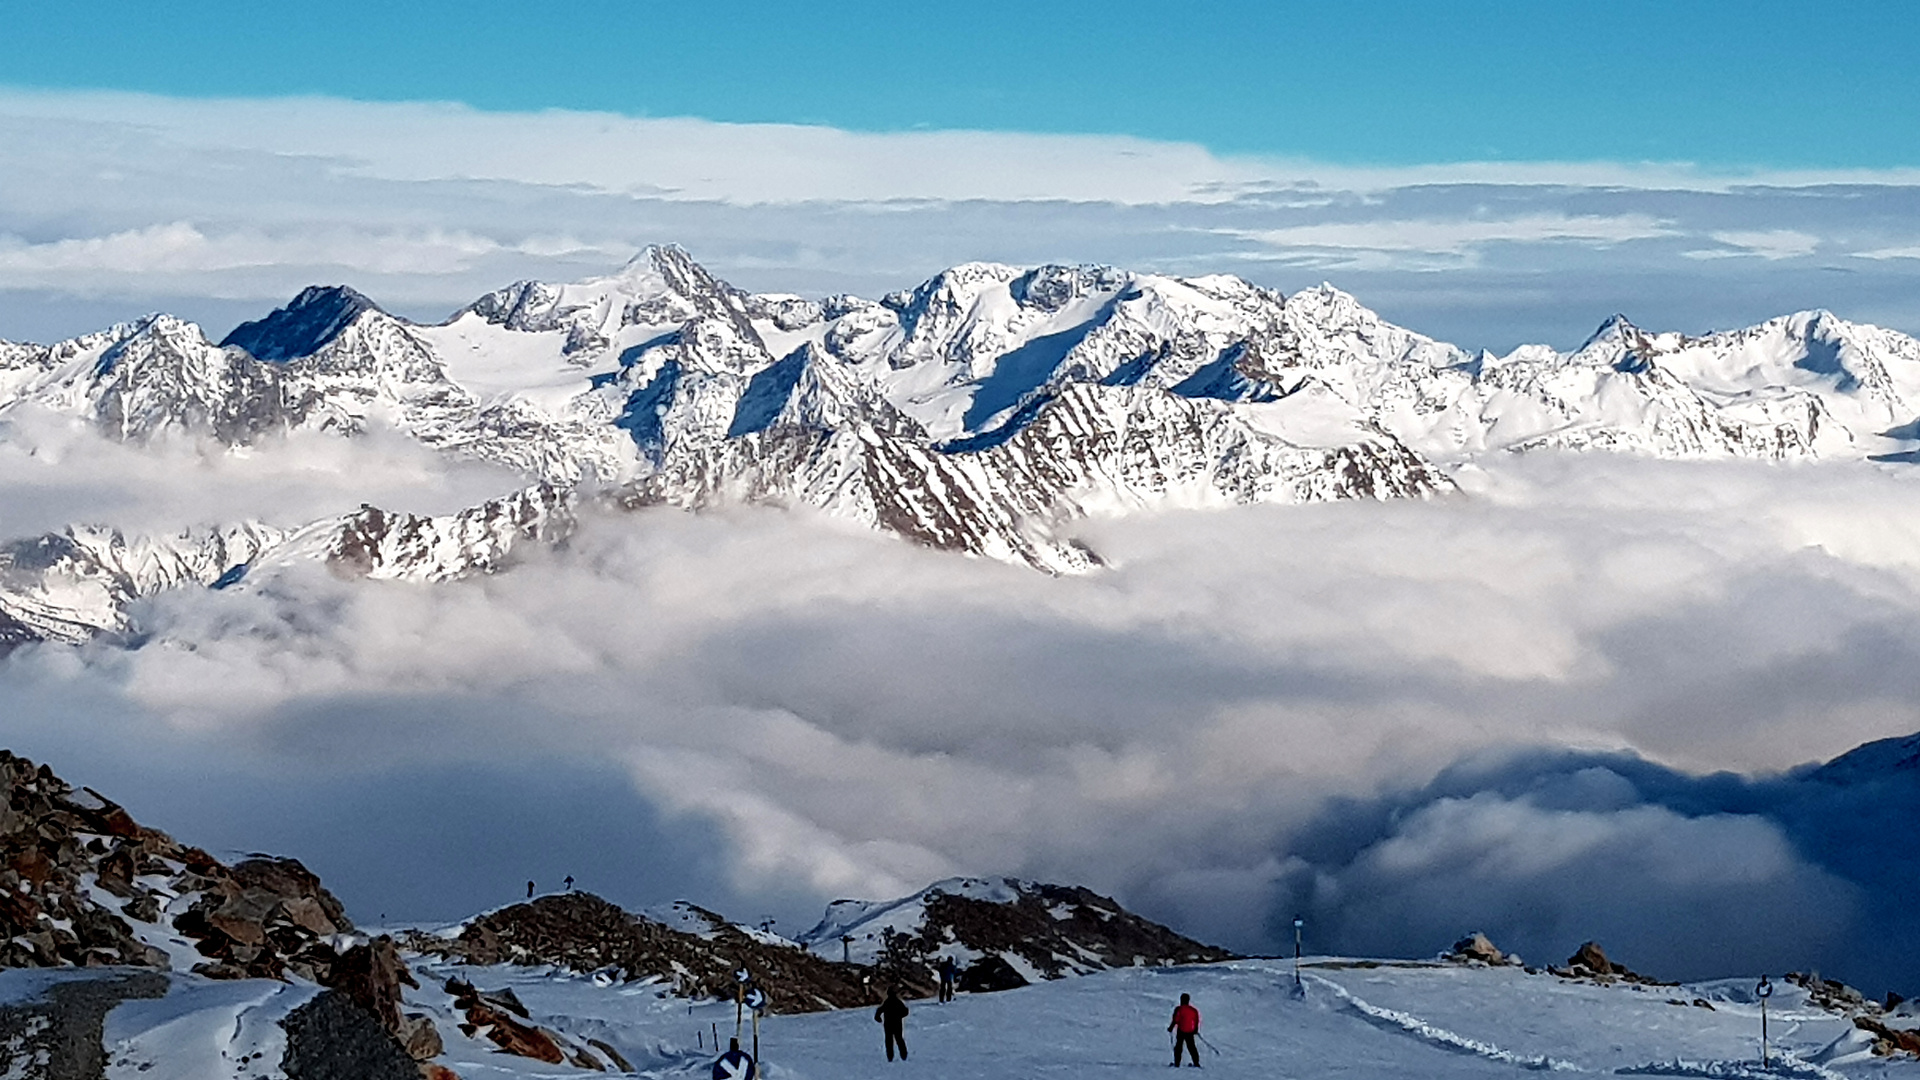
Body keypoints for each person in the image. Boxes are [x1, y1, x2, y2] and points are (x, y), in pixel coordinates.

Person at [875, 987, 910, 1061]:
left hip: (888, 1024)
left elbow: (879, 1010)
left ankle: (890, 1056)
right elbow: (905, 1011)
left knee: (889, 1040)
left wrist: (878, 1018)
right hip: (897, 1023)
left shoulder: (887, 1002)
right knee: (899, 1039)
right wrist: (900, 1016)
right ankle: (904, 1055)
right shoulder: (898, 1002)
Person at [1168, 992, 1201, 1067]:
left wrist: (1171, 1027)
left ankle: (1177, 1063)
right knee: (1192, 1047)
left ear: (1181, 1000)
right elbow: (1196, 1020)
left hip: (1181, 1030)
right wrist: (1195, 1029)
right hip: (1190, 1031)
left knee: (1179, 1047)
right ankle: (1196, 1063)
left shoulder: (1179, 1009)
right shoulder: (1193, 1010)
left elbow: (1176, 1019)